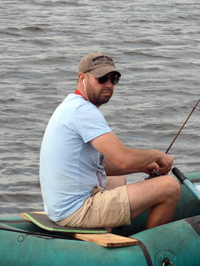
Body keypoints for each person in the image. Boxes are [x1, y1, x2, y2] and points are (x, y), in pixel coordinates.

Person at [39, 53, 180, 231]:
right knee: (169, 187)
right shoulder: (84, 111)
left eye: (113, 79)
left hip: (60, 208)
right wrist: (158, 155)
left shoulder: (71, 105)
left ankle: (111, 229)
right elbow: (124, 159)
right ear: (82, 78)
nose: (108, 85)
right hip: (76, 211)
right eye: (101, 78)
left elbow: (99, 163)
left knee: (118, 179)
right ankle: (152, 250)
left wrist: (143, 166)